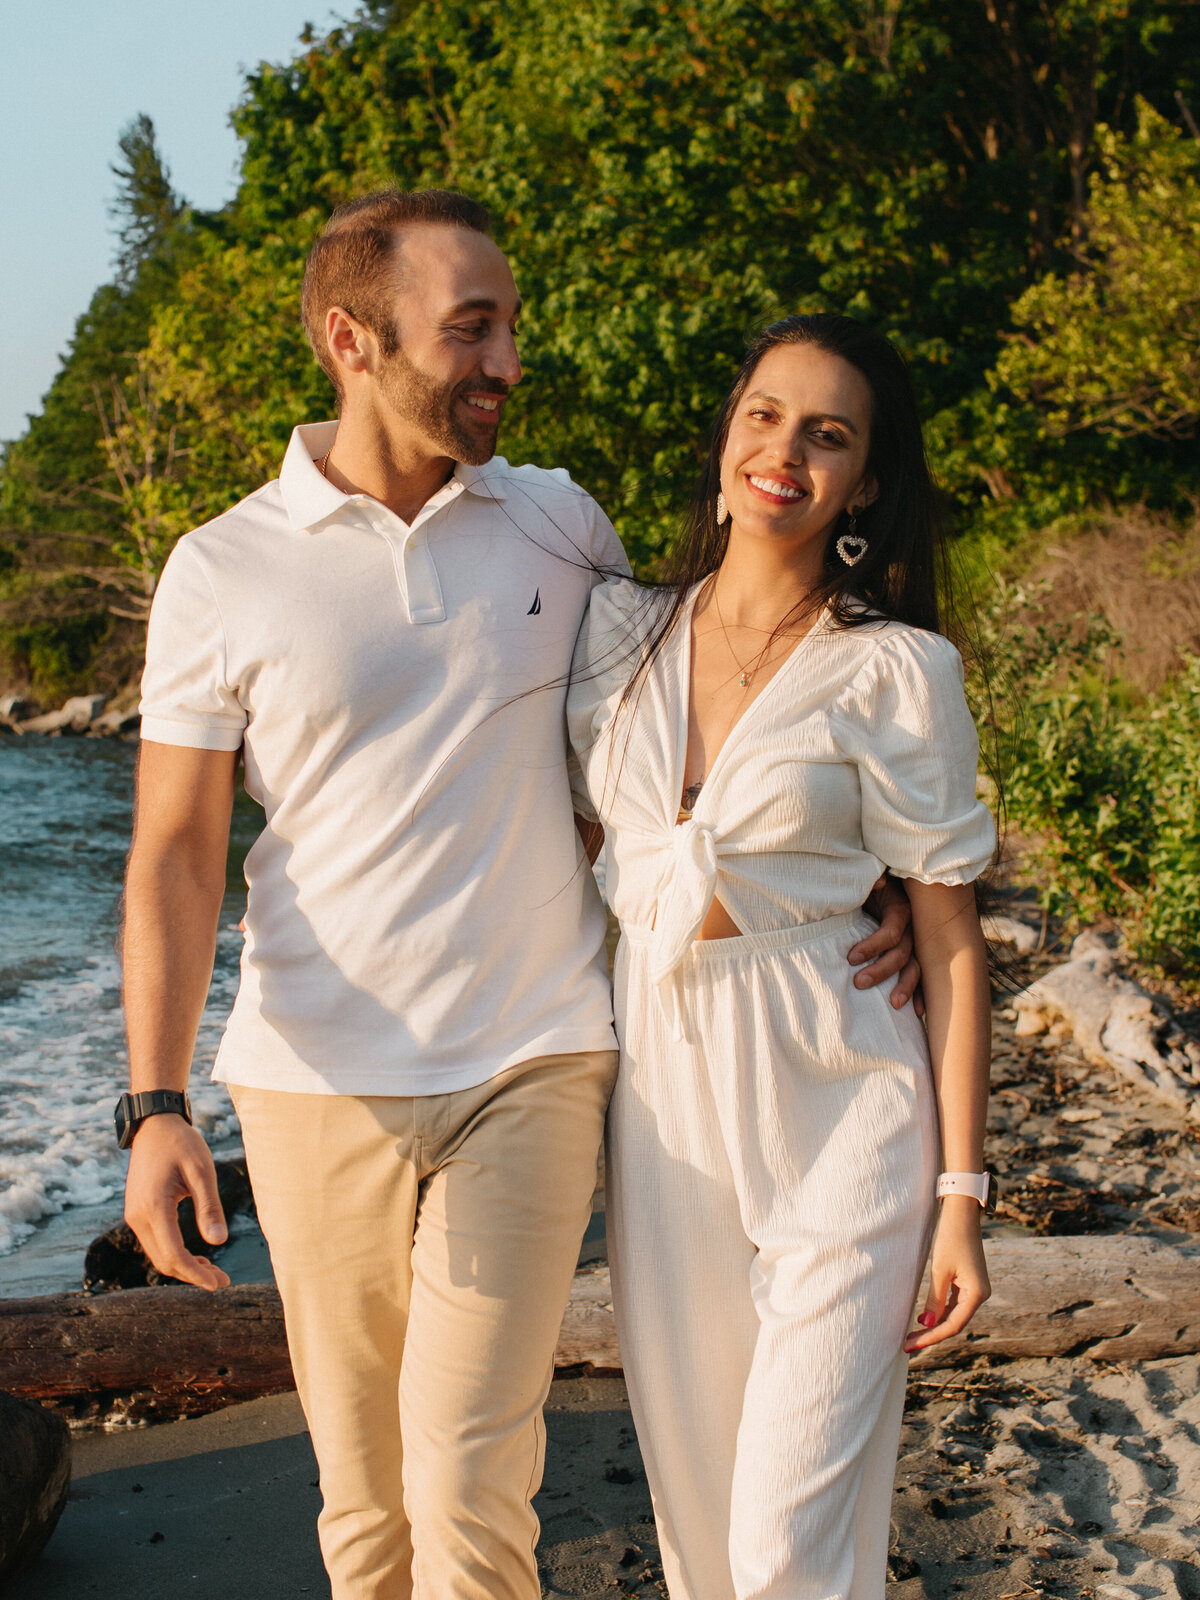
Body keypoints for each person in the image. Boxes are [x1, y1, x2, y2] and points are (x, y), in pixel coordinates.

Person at [119, 192, 918, 1600]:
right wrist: (155, 1102)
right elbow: (177, 851)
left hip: (538, 1055)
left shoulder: (558, 524)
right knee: (367, 1512)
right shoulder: (221, 570)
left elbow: (719, 692)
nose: (506, 361)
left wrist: (880, 875)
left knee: (473, 1482)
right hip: (315, 1082)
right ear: (349, 339)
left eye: (511, 327)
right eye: (470, 329)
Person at [567, 313, 997, 1600]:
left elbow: (953, 942)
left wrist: (963, 1196)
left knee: (782, 1542)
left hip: (840, 1092)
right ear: (725, 435)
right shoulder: (611, 631)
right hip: (662, 1104)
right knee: (704, 1526)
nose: (785, 450)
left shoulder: (896, 669)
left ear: (864, 481)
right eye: (764, 414)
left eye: (828, 434)